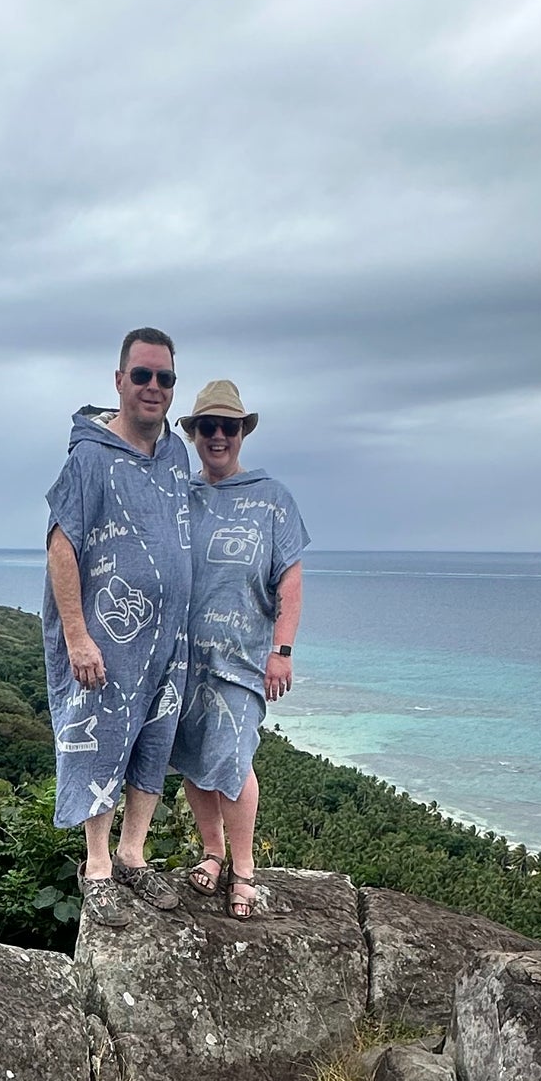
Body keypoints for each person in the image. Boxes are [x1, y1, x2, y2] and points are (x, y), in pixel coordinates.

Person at [42, 327, 194, 910]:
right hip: (108, 635)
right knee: (101, 743)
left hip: (167, 639)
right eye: (143, 376)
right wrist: (77, 637)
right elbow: (62, 545)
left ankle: (133, 854)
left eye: (165, 378)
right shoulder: (89, 456)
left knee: (152, 743)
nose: (154, 388)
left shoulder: (176, 453)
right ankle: (98, 867)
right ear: (119, 381)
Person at [170, 378, 308, 918]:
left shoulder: (273, 498)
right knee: (192, 758)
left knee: (232, 758)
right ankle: (211, 853)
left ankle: (244, 872)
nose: (219, 436)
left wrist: (284, 650)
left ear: (242, 432)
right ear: (196, 433)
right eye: (209, 427)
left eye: (229, 426)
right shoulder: (185, 496)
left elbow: (290, 582)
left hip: (244, 658)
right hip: (184, 657)